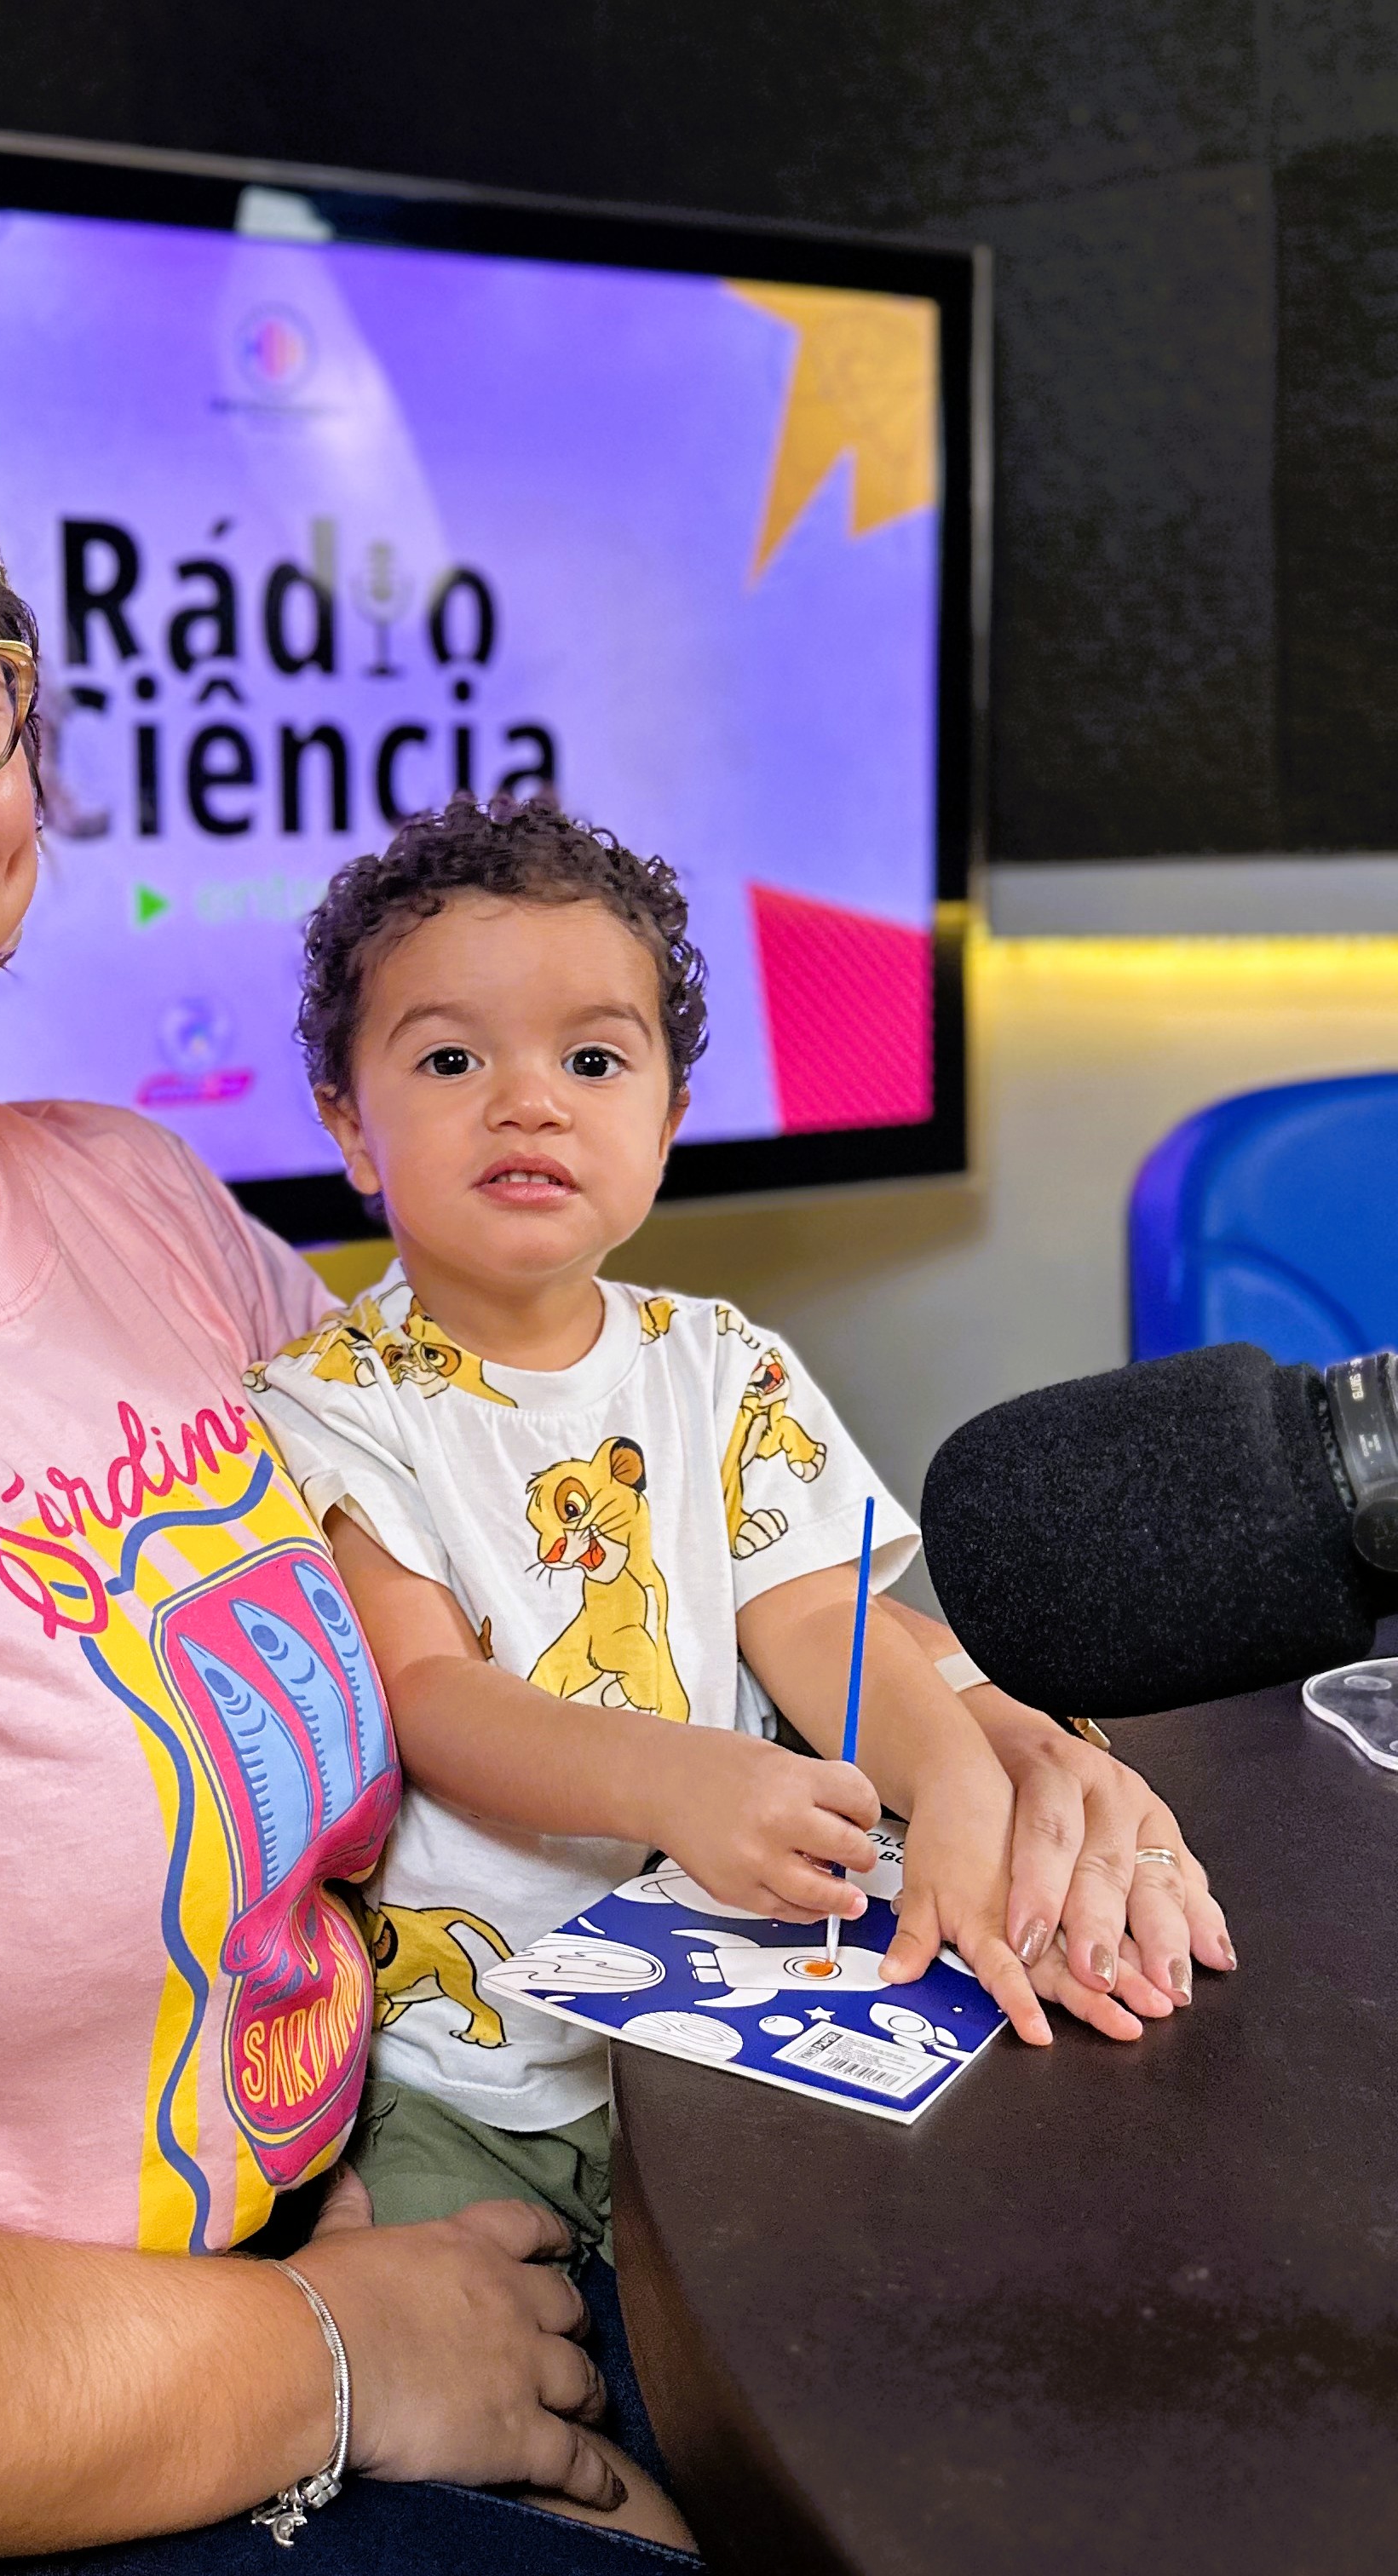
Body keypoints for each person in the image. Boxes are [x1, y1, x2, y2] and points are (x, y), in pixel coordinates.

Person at [0, 372, 1226, 2573]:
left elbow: (548, 1525)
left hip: (388, 2231)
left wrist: (1006, 1755)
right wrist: (337, 2365)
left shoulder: (141, 1210)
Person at [245, 796, 1235, 2280]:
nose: (530, 1102)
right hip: (475, 2071)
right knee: (492, 2367)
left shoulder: (725, 1366)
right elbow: (429, 1697)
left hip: (735, 2024)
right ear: (348, 1125)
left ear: (666, 1124)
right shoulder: (331, 1397)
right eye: (452, 1060)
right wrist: (676, 1772)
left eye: (592, 1060)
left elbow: (821, 1635)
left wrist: (955, 1779)